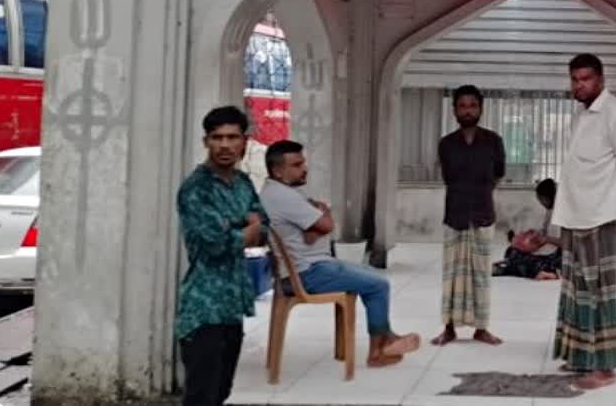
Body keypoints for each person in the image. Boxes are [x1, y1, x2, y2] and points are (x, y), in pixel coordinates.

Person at [260, 139, 420, 367]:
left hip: (310, 266)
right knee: (378, 284)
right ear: (277, 171)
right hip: (308, 273)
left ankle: (385, 338)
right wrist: (320, 217)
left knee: (369, 275)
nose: (304, 168)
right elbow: (326, 225)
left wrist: (317, 222)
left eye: (303, 163)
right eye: (296, 165)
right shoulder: (283, 197)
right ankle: (378, 349)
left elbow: (315, 230)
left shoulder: (277, 193)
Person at [552, 53, 616, 390]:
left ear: (601, 79)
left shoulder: (615, 113)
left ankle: (606, 368)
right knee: (578, 289)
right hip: (578, 214)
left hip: (604, 216)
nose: (579, 85)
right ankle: (581, 357)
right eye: (575, 79)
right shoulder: (581, 116)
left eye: (586, 79)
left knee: (603, 292)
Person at [176, 106, 269, 406]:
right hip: (203, 308)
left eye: (232, 137)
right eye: (217, 138)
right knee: (201, 396)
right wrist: (242, 227)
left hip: (232, 305)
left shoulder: (242, 184)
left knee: (221, 393)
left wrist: (237, 227)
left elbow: (263, 225)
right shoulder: (196, 189)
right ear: (206, 142)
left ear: (245, 141)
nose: (225, 145)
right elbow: (215, 243)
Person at [433, 85, 506, 347]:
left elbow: (498, 172)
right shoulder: (446, 144)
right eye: (462, 106)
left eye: (472, 105)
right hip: (454, 215)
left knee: (481, 276)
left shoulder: (493, 141)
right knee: (451, 275)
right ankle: (448, 328)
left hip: (483, 214)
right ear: (454, 110)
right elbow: (448, 178)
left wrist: (480, 192)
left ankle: (481, 328)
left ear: (481, 109)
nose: (467, 111)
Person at [493, 179, 562, 280]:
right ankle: (508, 265)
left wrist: (546, 239)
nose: (540, 202)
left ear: (546, 197)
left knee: (527, 263)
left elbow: (567, 243)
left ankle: (553, 273)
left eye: (540, 199)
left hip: (556, 256)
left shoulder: (561, 214)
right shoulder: (550, 210)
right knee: (511, 251)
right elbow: (545, 231)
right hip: (546, 250)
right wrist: (534, 234)